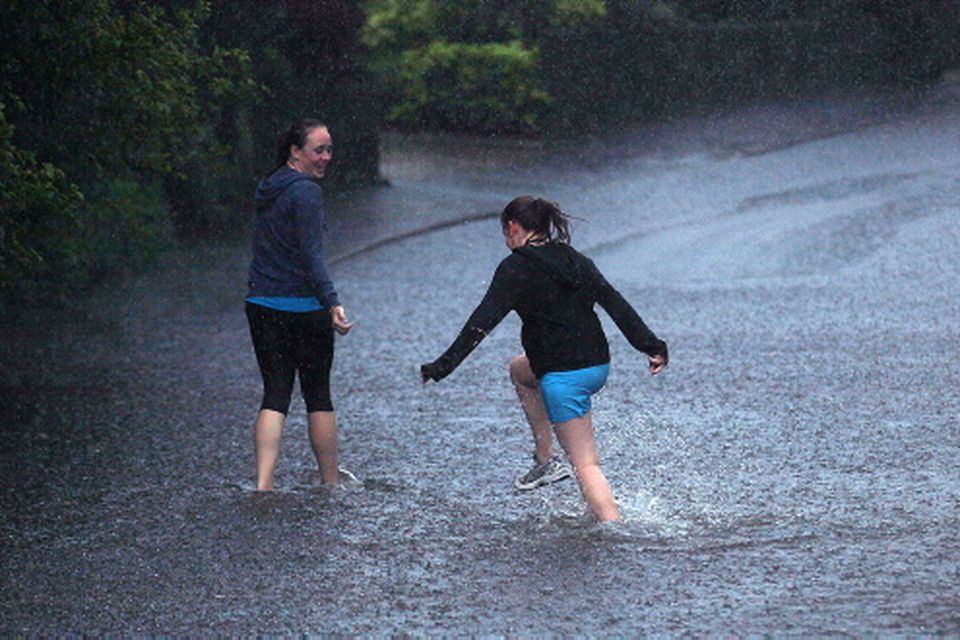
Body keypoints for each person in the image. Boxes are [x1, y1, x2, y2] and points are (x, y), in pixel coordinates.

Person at [420, 196, 667, 522]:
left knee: (586, 464)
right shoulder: (575, 259)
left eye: (505, 234)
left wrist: (443, 366)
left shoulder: (515, 267)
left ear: (512, 228)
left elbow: (482, 321)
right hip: (596, 364)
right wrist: (652, 345)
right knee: (520, 370)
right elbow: (615, 303)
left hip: (564, 377)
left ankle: (615, 531)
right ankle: (545, 459)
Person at [245, 118, 354, 491]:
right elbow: (311, 256)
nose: (326, 157)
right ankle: (330, 482)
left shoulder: (268, 188)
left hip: (261, 303)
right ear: (295, 151)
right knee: (318, 395)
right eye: (318, 150)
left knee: (275, 392)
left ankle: (262, 485)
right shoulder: (306, 192)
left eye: (329, 150)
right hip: (304, 307)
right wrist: (332, 302)